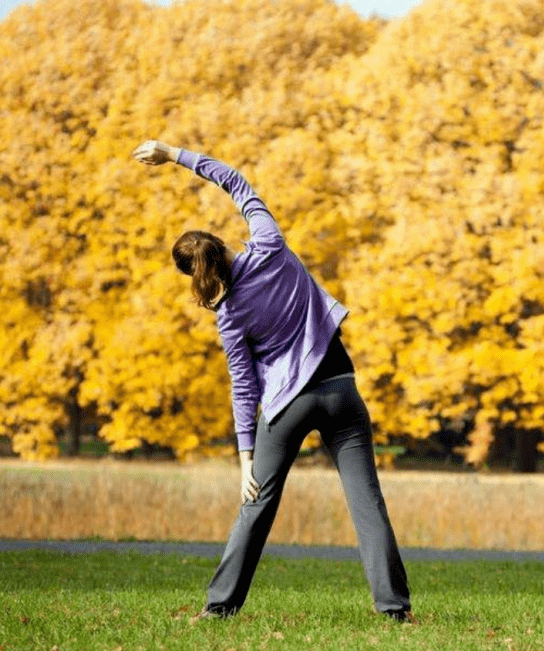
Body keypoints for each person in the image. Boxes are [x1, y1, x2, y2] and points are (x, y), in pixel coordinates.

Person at [131, 140, 414, 623]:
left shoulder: (229, 314)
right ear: (221, 244)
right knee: (367, 501)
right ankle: (394, 611)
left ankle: (219, 609)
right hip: (342, 387)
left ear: (193, 275)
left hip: (288, 405)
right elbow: (235, 181)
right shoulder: (270, 244)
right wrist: (172, 153)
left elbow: (244, 388)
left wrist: (245, 459)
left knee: (256, 505)